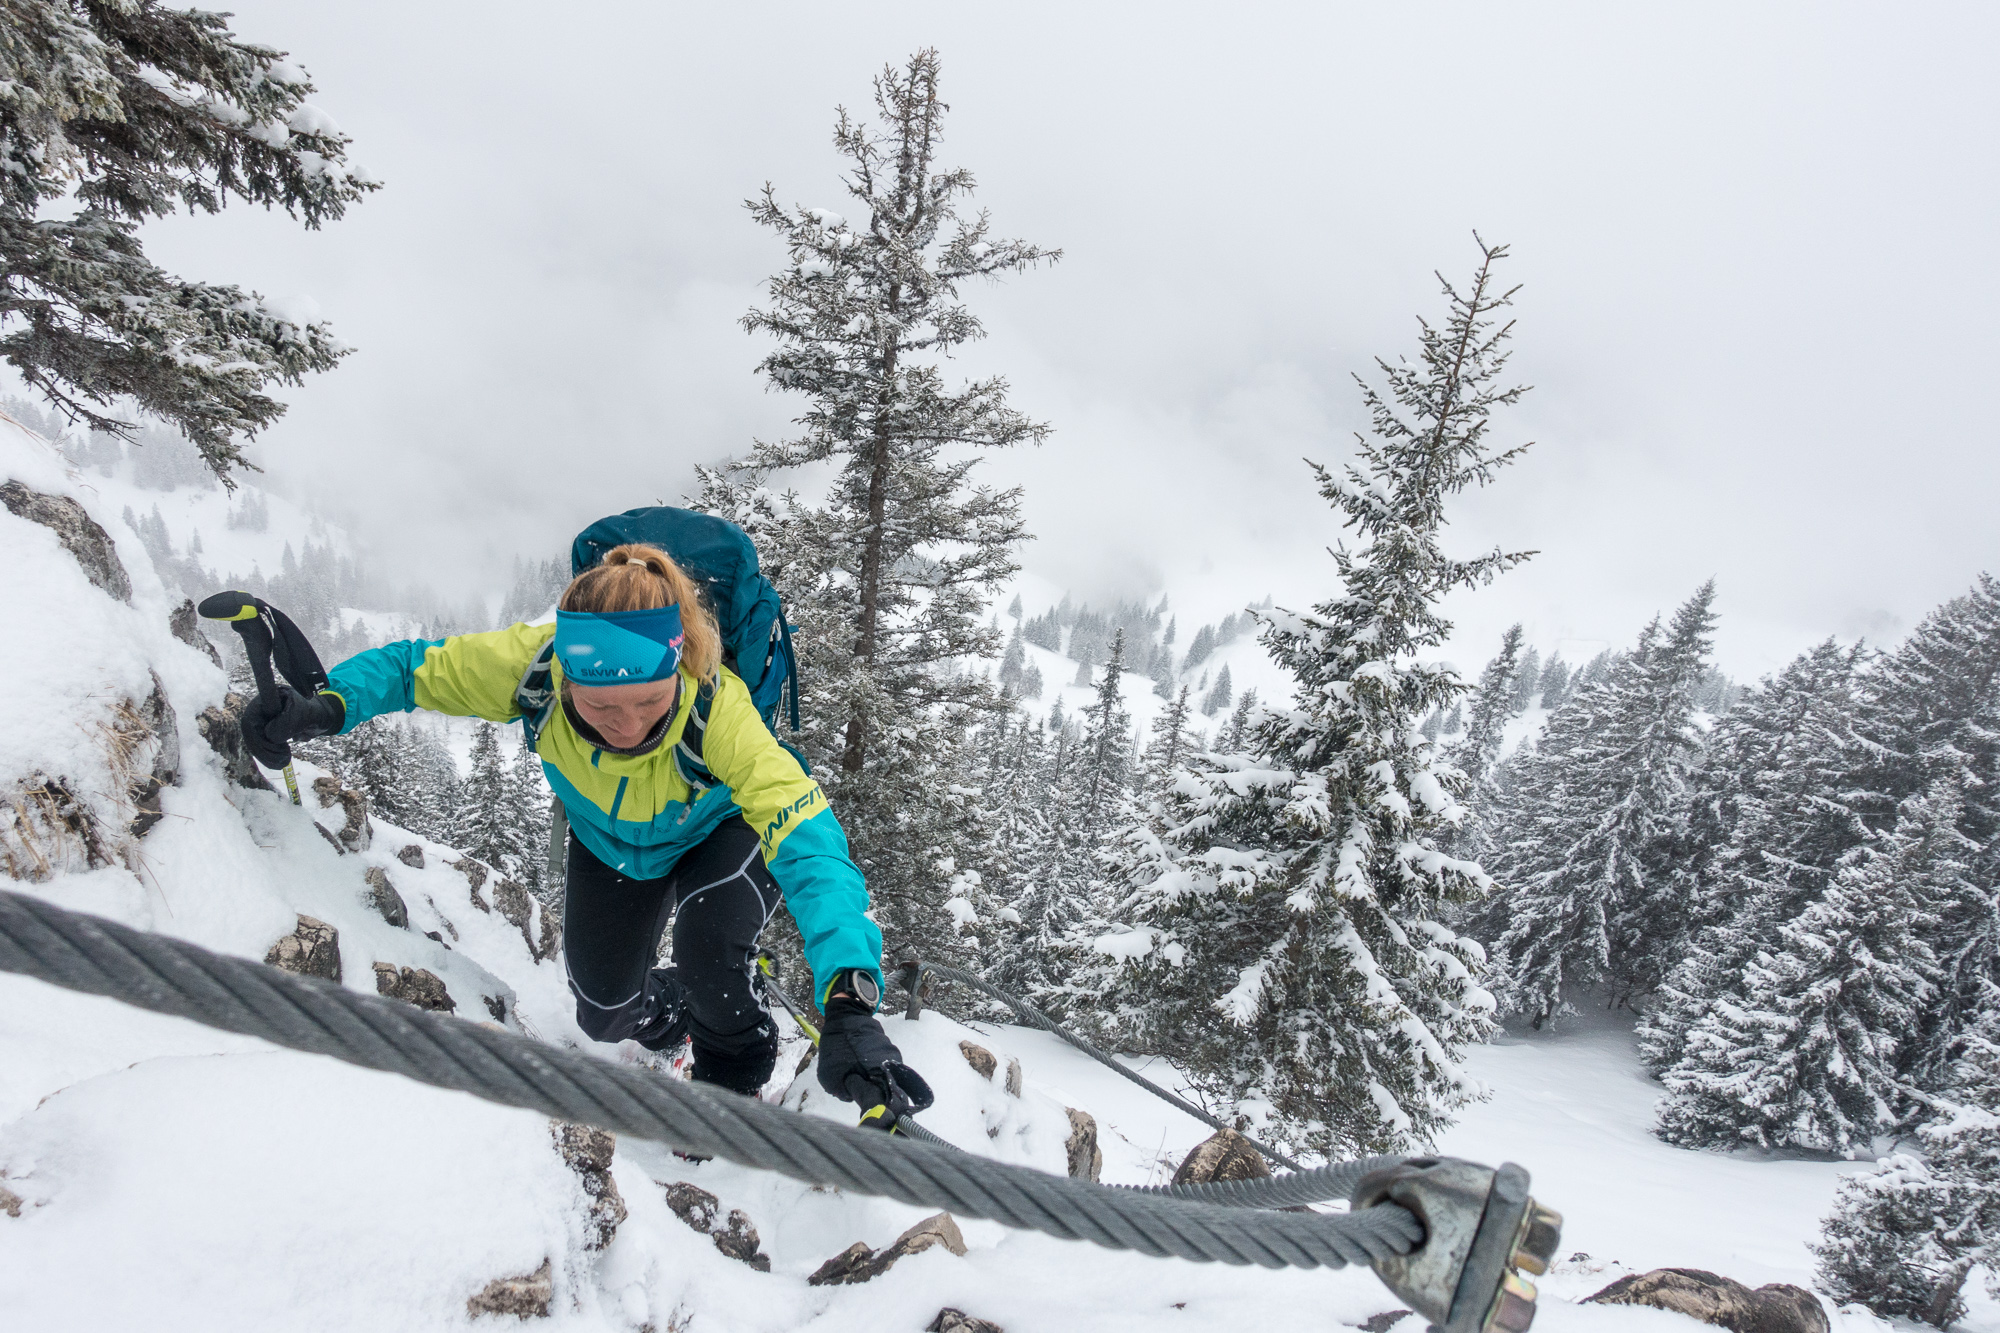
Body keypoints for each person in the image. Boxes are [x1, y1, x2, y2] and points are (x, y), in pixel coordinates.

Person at [240, 544, 931, 1119]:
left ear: (678, 666)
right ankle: (680, 1012)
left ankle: (734, 1071)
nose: (626, 725)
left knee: (710, 950)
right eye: (598, 705)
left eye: (649, 702)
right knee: (602, 1012)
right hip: (612, 845)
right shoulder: (535, 667)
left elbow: (807, 839)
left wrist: (849, 998)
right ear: (568, 673)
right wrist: (329, 707)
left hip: (720, 832)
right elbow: (413, 669)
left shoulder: (718, 708)